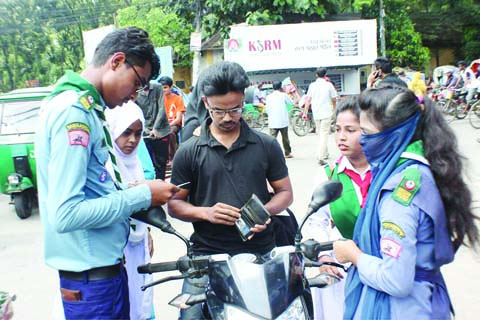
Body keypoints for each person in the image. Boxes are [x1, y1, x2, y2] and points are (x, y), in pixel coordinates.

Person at [35, 27, 180, 319]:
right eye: (136, 82)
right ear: (116, 61)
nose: (135, 95)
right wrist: (142, 195)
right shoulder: (74, 112)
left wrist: (138, 193)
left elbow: (95, 189)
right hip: (91, 280)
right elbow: (67, 214)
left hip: (103, 273)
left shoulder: (88, 109)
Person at [332, 85, 479, 319]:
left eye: (366, 132)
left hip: (404, 310)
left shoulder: (400, 192)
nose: (363, 140)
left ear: (394, 135)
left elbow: (396, 280)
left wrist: (353, 255)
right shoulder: (421, 167)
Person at [168, 61, 294, 320]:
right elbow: (175, 205)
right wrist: (206, 213)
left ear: (243, 101)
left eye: (235, 109)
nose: (227, 117)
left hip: (262, 252)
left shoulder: (266, 145)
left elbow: (285, 193)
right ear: (205, 103)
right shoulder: (189, 152)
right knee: (190, 317)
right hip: (207, 256)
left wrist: (263, 212)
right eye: (219, 110)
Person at [303, 97, 371, 320]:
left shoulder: (386, 172)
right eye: (337, 129)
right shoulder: (329, 174)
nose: (341, 137)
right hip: (340, 265)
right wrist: (323, 257)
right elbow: (316, 222)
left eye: (351, 130)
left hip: (379, 265)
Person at [105, 100, 155, 320]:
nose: (133, 140)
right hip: (113, 249)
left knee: (140, 295)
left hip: (137, 244)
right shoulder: (104, 164)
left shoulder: (134, 162)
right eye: (126, 133)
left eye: (138, 133)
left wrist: (148, 233)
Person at [136, 81, 171, 180]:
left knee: (161, 162)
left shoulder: (157, 87)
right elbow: (135, 111)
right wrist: (146, 129)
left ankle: (161, 186)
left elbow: (161, 108)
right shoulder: (135, 90)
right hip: (144, 131)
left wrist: (155, 128)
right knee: (147, 163)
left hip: (161, 130)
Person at [303, 67, 338, 165]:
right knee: (324, 134)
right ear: (325, 75)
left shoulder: (312, 85)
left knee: (321, 134)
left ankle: (325, 153)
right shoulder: (329, 85)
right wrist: (334, 108)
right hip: (326, 112)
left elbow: (308, 100)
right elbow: (334, 99)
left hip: (316, 113)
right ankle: (321, 156)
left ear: (316, 75)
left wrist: (305, 113)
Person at [158, 76, 186, 164]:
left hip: (174, 124)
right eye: (161, 88)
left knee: (169, 132)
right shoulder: (159, 99)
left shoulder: (178, 99)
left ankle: (172, 158)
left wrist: (167, 125)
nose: (163, 90)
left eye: (165, 87)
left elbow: (178, 119)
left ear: (171, 87)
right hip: (162, 124)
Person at [265, 80, 294, 158]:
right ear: (280, 87)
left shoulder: (268, 97)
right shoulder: (283, 95)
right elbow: (291, 103)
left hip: (273, 121)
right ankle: (287, 153)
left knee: (271, 139)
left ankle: (269, 154)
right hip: (283, 120)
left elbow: (266, 109)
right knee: (285, 138)